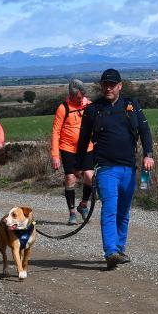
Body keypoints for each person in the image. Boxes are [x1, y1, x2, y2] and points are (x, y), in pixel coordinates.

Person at [76, 68, 153, 269]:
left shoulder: (131, 105)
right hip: (105, 168)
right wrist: (84, 167)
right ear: (101, 86)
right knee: (110, 208)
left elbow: (145, 130)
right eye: (105, 84)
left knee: (123, 211)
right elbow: (83, 141)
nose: (108, 88)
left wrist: (148, 155)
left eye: (112, 84)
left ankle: (119, 248)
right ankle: (110, 252)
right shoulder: (93, 110)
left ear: (120, 86)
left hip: (129, 167)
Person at [51, 79, 96, 225]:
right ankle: (72, 213)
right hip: (68, 148)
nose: (80, 100)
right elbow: (56, 132)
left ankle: (83, 205)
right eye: (78, 98)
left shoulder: (89, 105)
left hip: (87, 147)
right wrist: (55, 155)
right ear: (71, 95)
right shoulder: (63, 108)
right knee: (70, 178)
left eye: (82, 97)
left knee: (90, 176)